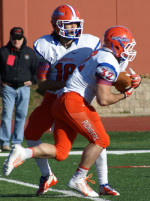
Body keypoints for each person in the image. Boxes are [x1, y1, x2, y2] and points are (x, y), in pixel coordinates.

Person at [3, 25, 141, 197]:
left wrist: (130, 80)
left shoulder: (101, 55)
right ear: (117, 45)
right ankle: (79, 178)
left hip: (61, 101)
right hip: (74, 102)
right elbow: (103, 99)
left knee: (61, 152)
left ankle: (23, 152)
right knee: (101, 140)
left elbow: (111, 76)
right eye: (127, 45)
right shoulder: (107, 60)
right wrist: (125, 95)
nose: (130, 49)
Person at [22, 5, 118, 196]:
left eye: (75, 24)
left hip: (77, 97)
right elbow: (41, 83)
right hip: (55, 95)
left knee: (97, 137)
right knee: (32, 132)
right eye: (68, 24)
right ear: (56, 26)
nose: (73, 28)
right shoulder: (45, 45)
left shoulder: (89, 42)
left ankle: (104, 182)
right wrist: (67, 84)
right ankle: (46, 175)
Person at [0, 27, 38, 151]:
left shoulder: (29, 53)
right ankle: (4, 142)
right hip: (8, 88)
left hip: (24, 88)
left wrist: (32, 81)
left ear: (23, 38)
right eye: (14, 38)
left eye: (19, 39)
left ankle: (16, 143)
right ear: (10, 38)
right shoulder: (3, 52)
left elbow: (36, 70)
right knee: (7, 114)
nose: (16, 41)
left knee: (21, 115)